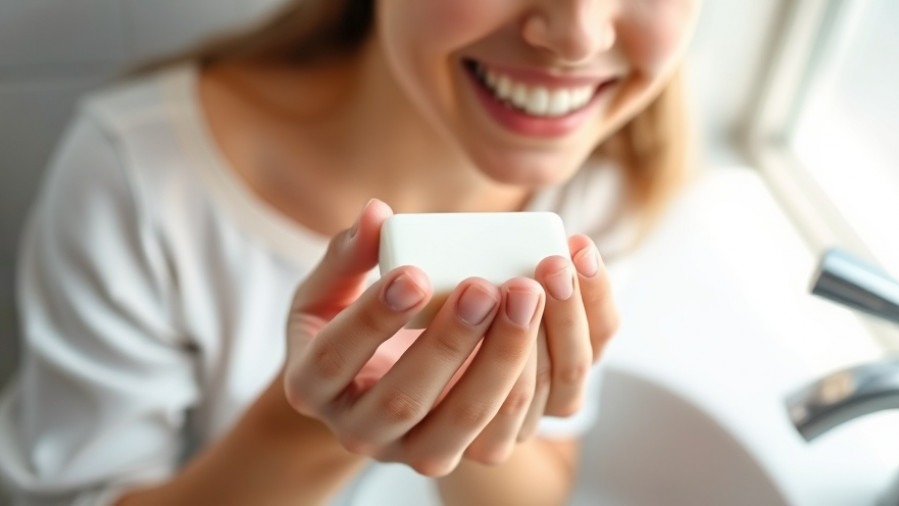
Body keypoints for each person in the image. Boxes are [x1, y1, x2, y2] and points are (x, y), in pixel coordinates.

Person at [0, 0, 699, 504]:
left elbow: (531, 491)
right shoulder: (140, 179)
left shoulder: (603, 178)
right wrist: (306, 425)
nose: (578, 34)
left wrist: (483, 404)